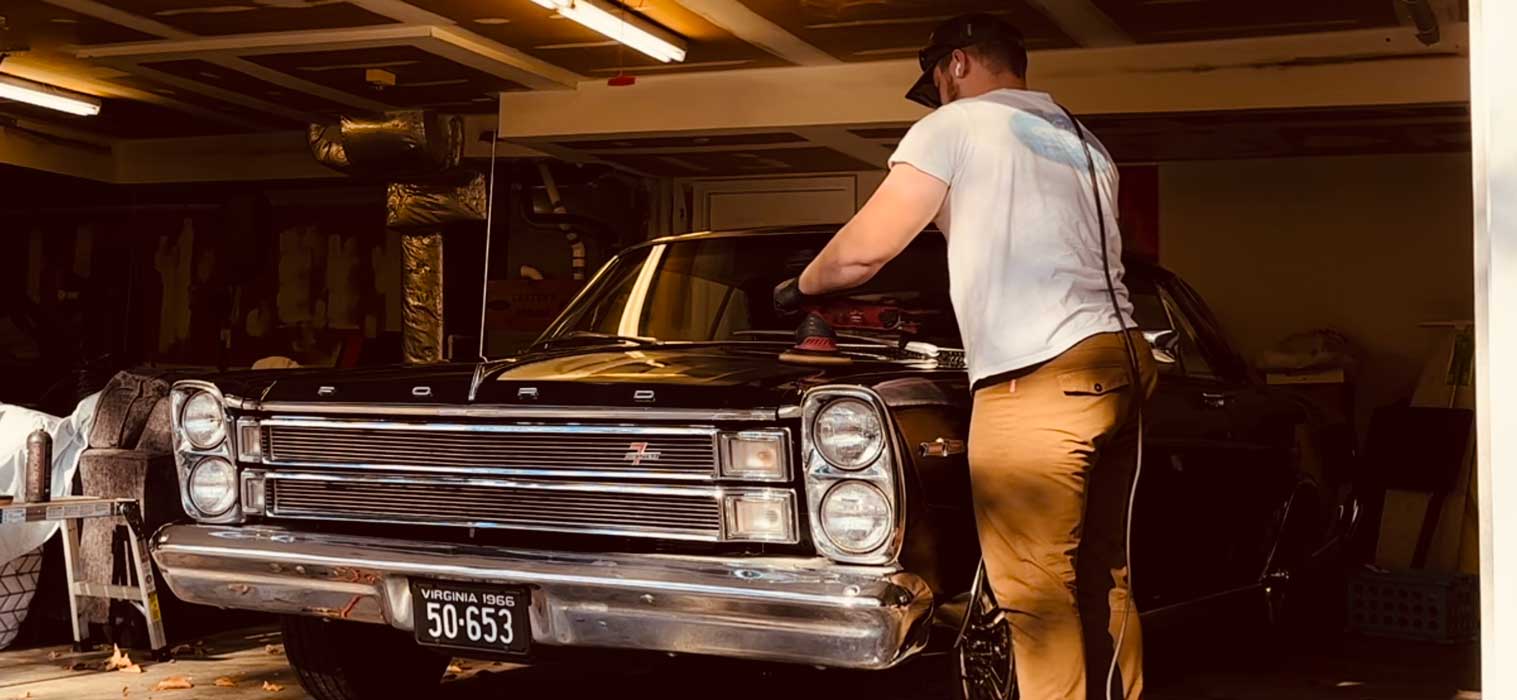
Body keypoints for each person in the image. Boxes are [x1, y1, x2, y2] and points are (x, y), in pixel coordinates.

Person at [772, 13, 1157, 700]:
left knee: (1034, 590)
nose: (938, 98)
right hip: (1118, 360)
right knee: (1104, 573)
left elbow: (862, 251)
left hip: (1038, 373)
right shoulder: (1080, 141)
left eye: (938, 84)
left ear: (956, 64)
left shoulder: (956, 125)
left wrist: (800, 285)